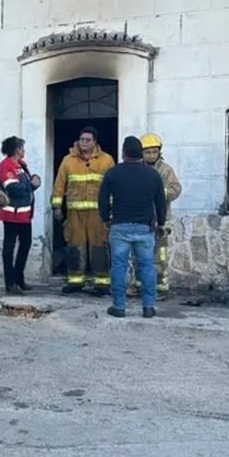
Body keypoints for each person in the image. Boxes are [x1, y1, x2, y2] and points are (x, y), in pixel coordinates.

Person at [98, 136, 166, 319]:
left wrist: (105, 218)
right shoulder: (153, 175)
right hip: (145, 228)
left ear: (123, 153)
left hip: (120, 227)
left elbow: (102, 199)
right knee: (147, 267)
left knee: (119, 266)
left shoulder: (113, 173)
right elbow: (160, 202)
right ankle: (149, 307)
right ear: (141, 153)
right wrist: (161, 223)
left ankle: (119, 307)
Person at [51, 126, 115, 295]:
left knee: (99, 246)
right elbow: (59, 184)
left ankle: (102, 283)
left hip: (98, 214)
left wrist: (111, 209)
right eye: (82, 139)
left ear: (95, 142)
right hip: (75, 214)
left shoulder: (106, 160)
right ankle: (75, 281)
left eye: (88, 140)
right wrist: (57, 206)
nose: (84, 142)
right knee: (74, 246)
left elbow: (112, 186)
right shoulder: (68, 160)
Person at [127, 132, 182, 301]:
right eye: (147, 152)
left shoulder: (166, 170)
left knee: (159, 256)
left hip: (160, 220)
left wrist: (159, 193)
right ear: (141, 153)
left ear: (159, 152)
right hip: (141, 218)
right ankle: (138, 285)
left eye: (154, 152)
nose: (151, 155)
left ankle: (159, 288)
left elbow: (176, 189)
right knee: (139, 254)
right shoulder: (136, 168)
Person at [0, 135, 41, 295]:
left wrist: (34, 182)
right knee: (9, 249)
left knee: (25, 245)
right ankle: (10, 283)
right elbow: (13, 188)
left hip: (25, 215)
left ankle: (19, 278)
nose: (24, 150)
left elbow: (26, 187)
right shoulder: (6, 165)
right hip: (11, 215)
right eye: (22, 147)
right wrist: (31, 184)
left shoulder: (21, 165)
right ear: (16, 149)